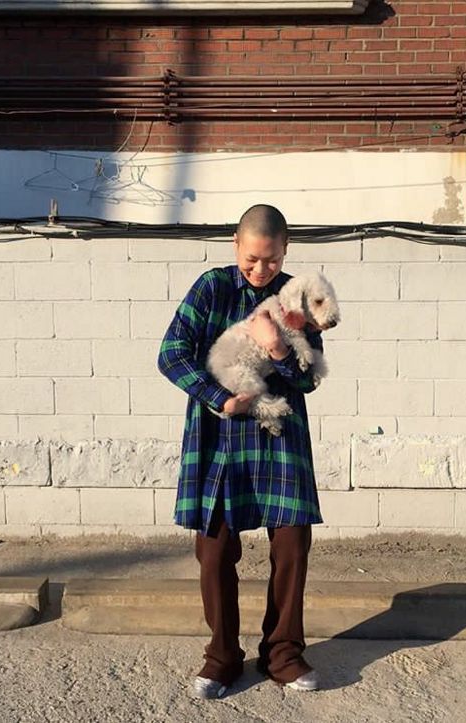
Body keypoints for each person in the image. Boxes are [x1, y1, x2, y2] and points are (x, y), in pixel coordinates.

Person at [157, 204, 326, 699]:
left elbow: (309, 378)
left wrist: (276, 348)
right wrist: (219, 399)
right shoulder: (211, 287)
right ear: (236, 246)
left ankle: (283, 654)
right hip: (219, 437)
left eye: (270, 261)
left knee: (293, 546)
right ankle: (222, 656)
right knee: (213, 552)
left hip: (278, 439)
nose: (260, 271)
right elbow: (171, 352)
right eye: (252, 260)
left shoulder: (298, 297)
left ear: (285, 250)